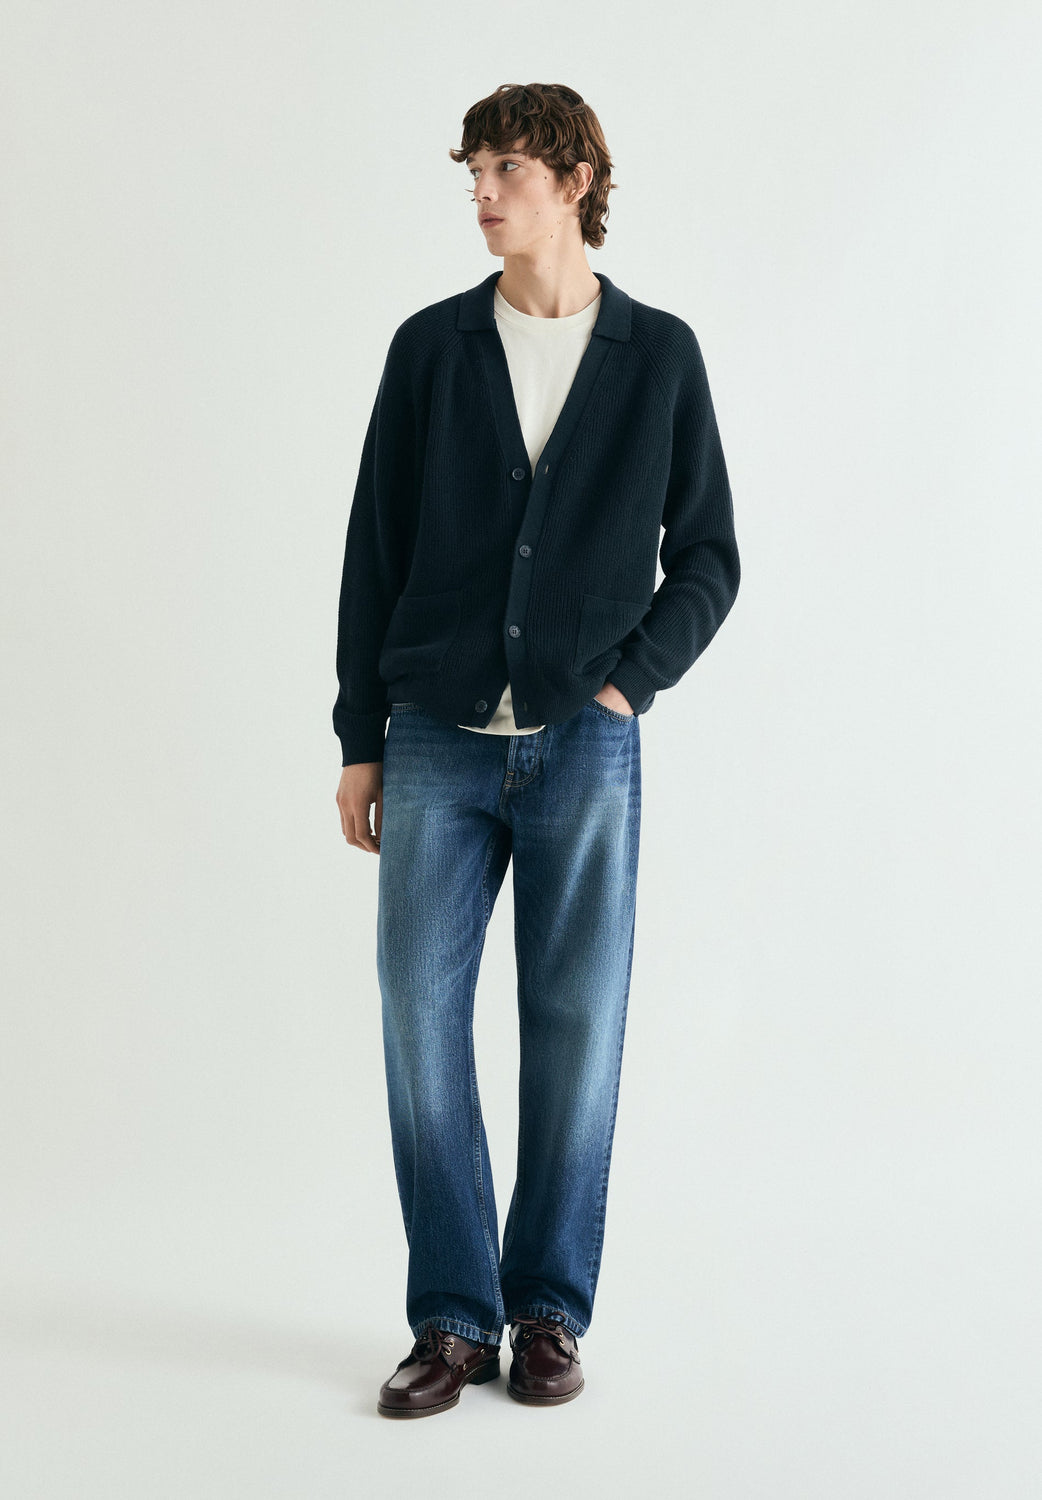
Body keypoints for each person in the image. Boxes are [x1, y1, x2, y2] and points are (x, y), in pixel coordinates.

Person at [334, 82, 740, 1419]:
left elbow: (710, 559)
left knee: (576, 1030)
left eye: (507, 167)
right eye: (474, 169)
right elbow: (374, 551)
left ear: (574, 181)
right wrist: (359, 737)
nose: (482, 192)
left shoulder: (658, 356)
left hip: (585, 748)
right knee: (418, 1019)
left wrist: (627, 686)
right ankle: (451, 1319)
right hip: (432, 741)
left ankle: (547, 1311)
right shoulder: (430, 348)